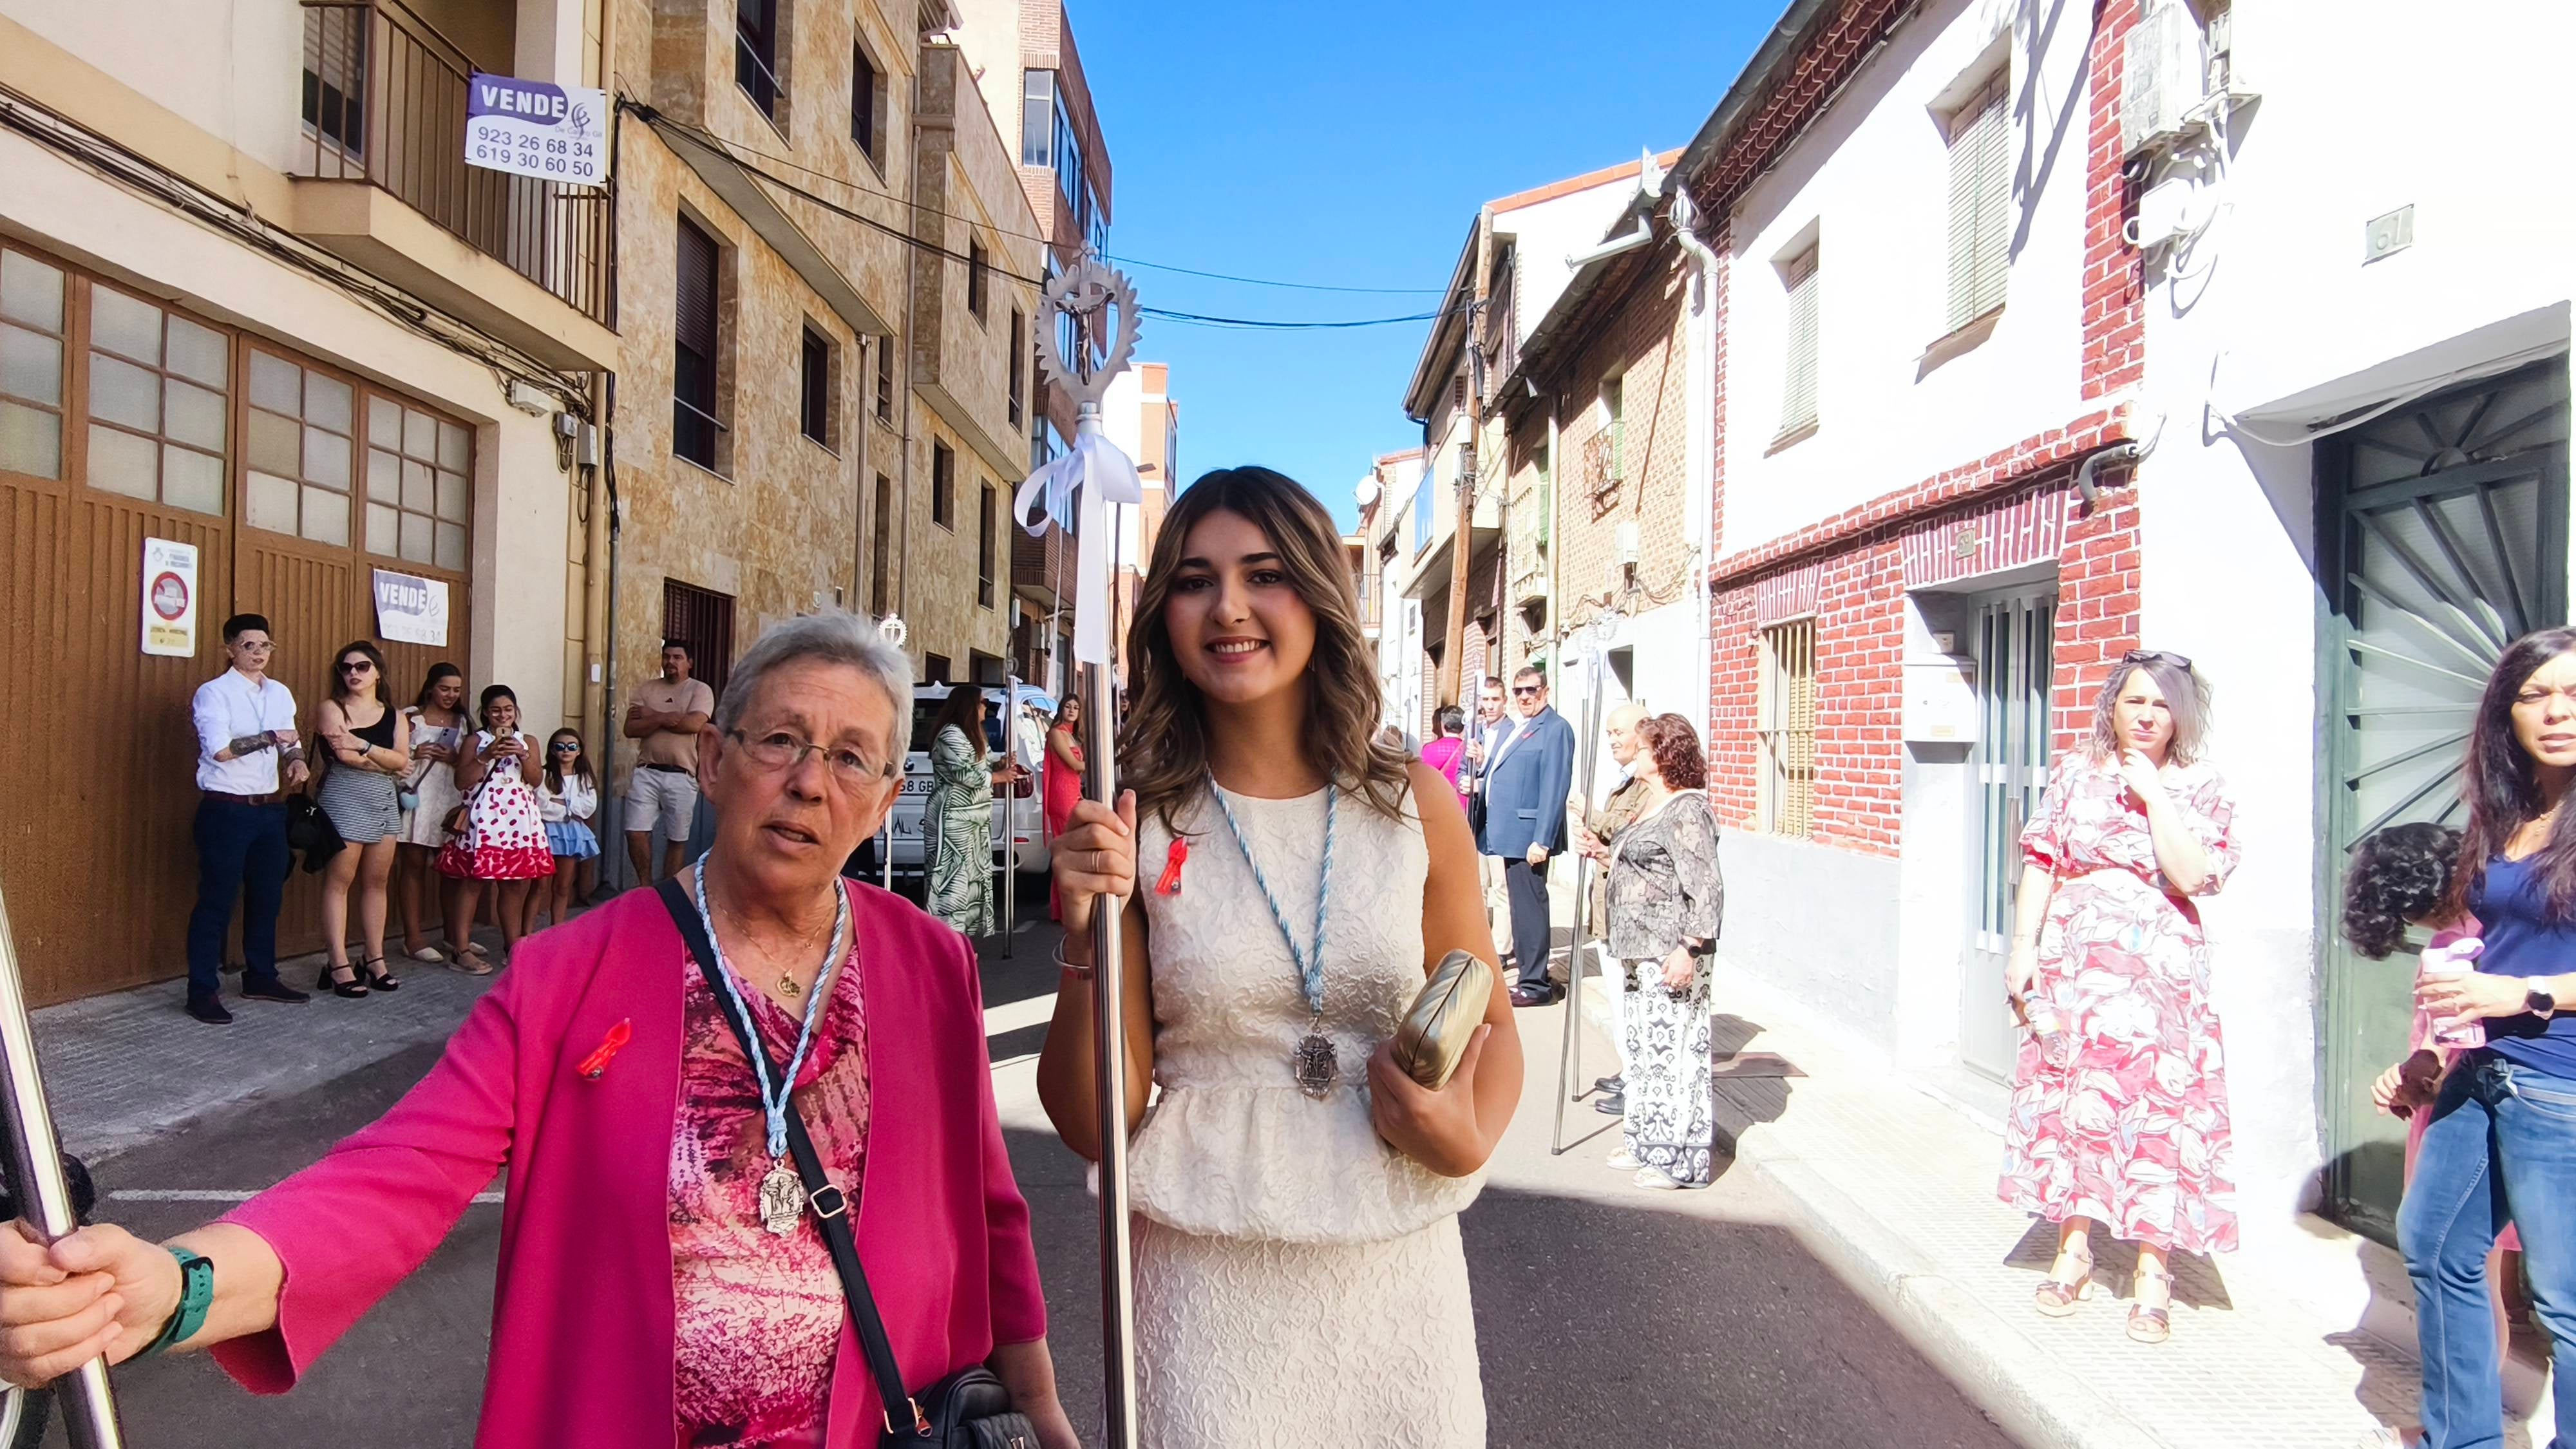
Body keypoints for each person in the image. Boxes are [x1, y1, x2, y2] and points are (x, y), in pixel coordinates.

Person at [0, 612, 1079, 1448]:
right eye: (781, 740)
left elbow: (990, 1216)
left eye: (851, 759)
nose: (808, 781)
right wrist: (175, 1287)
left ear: (888, 799)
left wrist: (1037, 1416)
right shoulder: (572, 971)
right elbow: (390, 1182)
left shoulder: (926, 964)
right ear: (712, 758)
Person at [1039, 465, 1521, 1448]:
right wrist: (1085, 942)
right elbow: (1095, 1121)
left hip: (1397, 1282)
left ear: (1317, 593)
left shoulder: (1412, 805)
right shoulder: (1136, 815)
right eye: (1193, 580)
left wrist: (1463, 1134)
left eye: (1264, 574)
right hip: (1205, 1287)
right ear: (1163, 612)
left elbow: (1493, 1021)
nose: (1229, 608)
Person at [2003, 649, 2239, 1345]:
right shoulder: (2075, 775)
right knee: (2076, 1099)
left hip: (2159, 974)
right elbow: (2042, 861)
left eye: (2162, 704)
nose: (2146, 715)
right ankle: (2073, 1246)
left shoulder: (2203, 786)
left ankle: (2152, 1268)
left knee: (2158, 1110)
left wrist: (2156, 797)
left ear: (2181, 715)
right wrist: (2023, 950)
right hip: (2075, 963)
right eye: (2134, 700)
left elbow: (2194, 874)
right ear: (2112, 705)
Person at [2398, 629, 2576, 1448]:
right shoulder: (2507, 811)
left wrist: (2522, 992)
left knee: (2566, 1304)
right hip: (2484, 1069)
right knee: (2433, 1245)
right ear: (2506, 712)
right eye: (2536, 693)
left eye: (2572, 692)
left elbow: (2517, 973)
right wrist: (2436, 1043)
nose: (2557, 711)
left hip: (2562, 1085)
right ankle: (2461, 1439)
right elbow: (2481, 943)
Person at [2341, 821, 2522, 1446]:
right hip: (2448, 1116)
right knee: (2472, 1278)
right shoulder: (2470, 936)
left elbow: (2466, 1048)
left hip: (2471, 1124)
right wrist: (2411, 1070)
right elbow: (2438, 1044)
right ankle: (2456, 1423)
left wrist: (2422, 1074)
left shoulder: (2470, 943)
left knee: (2462, 1279)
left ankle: (2455, 1428)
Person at [1603, 714, 1724, 1189]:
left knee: (1674, 1057)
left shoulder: (1688, 810)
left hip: (1670, 951)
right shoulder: (1655, 805)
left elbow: (1706, 888)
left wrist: (1689, 950)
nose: (1636, 752)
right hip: (1639, 952)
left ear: (1666, 756)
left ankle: (1679, 1158)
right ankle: (1648, 1141)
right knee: (1645, 1054)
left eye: (1646, 748)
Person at [183, 614, 315, 1024]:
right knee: (217, 900)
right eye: (248, 646)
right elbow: (221, 750)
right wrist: (271, 739)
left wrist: (296, 762)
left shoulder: (279, 693)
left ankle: (261, 976)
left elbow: (290, 740)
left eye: (265, 646)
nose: (258, 654)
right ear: (230, 649)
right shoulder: (214, 694)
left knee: (267, 896)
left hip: (268, 810)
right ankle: (201, 991)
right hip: (227, 809)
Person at [311, 641, 412, 998]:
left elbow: (402, 760)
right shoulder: (331, 708)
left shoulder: (396, 716)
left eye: (362, 667)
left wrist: (366, 747)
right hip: (346, 795)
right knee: (340, 880)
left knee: (377, 881)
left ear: (378, 672)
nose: (353, 673)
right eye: (346, 667)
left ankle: (374, 958)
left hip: (384, 799)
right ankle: (337, 962)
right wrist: (386, 761)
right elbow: (344, 755)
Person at [1572, 701, 1654, 1112]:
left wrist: (1591, 814)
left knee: (1631, 1000)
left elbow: (1628, 832)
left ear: (1642, 734)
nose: (1612, 741)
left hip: (1629, 910)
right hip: (1606, 903)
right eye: (1607, 734)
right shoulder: (1624, 781)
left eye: (1618, 733)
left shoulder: (1649, 786)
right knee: (1619, 999)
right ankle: (1629, 1068)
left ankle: (1639, 1079)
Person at [1478, 665, 1576, 1007]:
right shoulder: (1523, 727)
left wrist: (1543, 839)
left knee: (1530, 908)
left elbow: (1554, 787)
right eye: (1518, 691)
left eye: (1531, 691)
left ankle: (1534, 984)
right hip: (1510, 835)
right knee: (1520, 910)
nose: (1524, 697)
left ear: (1545, 692)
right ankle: (1532, 977)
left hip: (1530, 838)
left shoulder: (1555, 729)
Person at [439, 686, 554, 972]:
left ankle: (511, 945)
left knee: (514, 884)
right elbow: (461, 781)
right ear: (485, 713)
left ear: (516, 712)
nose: (502, 716)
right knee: (473, 881)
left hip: (518, 821)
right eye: (495, 710)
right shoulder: (475, 740)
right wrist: (485, 756)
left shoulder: (527, 740)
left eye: (508, 710)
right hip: (484, 820)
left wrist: (524, 755)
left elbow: (536, 780)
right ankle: (461, 949)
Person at [922, 687, 1023, 938]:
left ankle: (961, 939)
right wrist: (999, 776)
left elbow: (980, 764)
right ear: (968, 705)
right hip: (954, 818)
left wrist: (999, 764)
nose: (985, 707)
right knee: (953, 878)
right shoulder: (951, 734)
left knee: (971, 880)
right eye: (982, 702)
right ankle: (947, 939)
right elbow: (964, 773)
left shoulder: (972, 735)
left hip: (975, 819)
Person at [626, 639, 717, 886]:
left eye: (677, 657)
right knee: (635, 832)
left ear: (690, 663)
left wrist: (652, 716)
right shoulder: (647, 689)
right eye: (667, 657)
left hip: (682, 773)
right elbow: (631, 728)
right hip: (647, 771)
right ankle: (645, 886)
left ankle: (667, 889)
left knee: (677, 838)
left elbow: (693, 724)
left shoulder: (700, 690)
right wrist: (671, 719)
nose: (670, 662)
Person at [395, 663, 469, 963]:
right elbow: (391, 758)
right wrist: (414, 754)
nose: (451, 695)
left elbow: (473, 761)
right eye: (444, 688)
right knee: (412, 865)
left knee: (451, 868)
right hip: (419, 799)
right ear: (430, 688)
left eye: (456, 690)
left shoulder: (464, 722)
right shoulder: (409, 718)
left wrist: (455, 758)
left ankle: (454, 936)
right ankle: (413, 938)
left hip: (450, 799)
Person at [535, 729, 601, 934]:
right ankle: (526, 933)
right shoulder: (545, 774)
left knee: (563, 885)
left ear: (579, 751)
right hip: (545, 831)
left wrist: (561, 802)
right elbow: (541, 804)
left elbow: (588, 807)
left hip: (572, 834)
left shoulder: (584, 778)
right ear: (552, 751)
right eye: (560, 746)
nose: (566, 751)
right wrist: (569, 808)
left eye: (572, 746)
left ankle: (557, 930)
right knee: (539, 886)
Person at [1465, 677, 1511, 958]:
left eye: (1495, 699)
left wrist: (1483, 767)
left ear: (1504, 701)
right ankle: (1479, 942)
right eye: (1486, 699)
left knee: (1501, 887)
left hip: (1500, 820)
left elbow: (1506, 776)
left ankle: (1502, 948)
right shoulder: (1476, 732)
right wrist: (1463, 780)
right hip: (1477, 819)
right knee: (1477, 885)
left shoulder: (1513, 732)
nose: (1490, 705)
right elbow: (1462, 767)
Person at [1043, 698, 1086, 922]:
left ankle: (1062, 907)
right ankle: (1060, 907)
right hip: (1062, 795)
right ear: (1061, 709)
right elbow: (1075, 764)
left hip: (1074, 792)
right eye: (1068, 706)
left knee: (1070, 850)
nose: (1072, 711)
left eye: (1076, 708)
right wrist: (1100, 762)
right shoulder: (1056, 733)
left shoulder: (1072, 735)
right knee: (1065, 850)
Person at [1420, 705, 1470, 811]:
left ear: (1442, 725)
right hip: (1463, 810)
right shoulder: (1469, 750)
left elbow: (1423, 782)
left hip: (1438, 807)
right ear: (1463, 727)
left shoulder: (1429, 749)